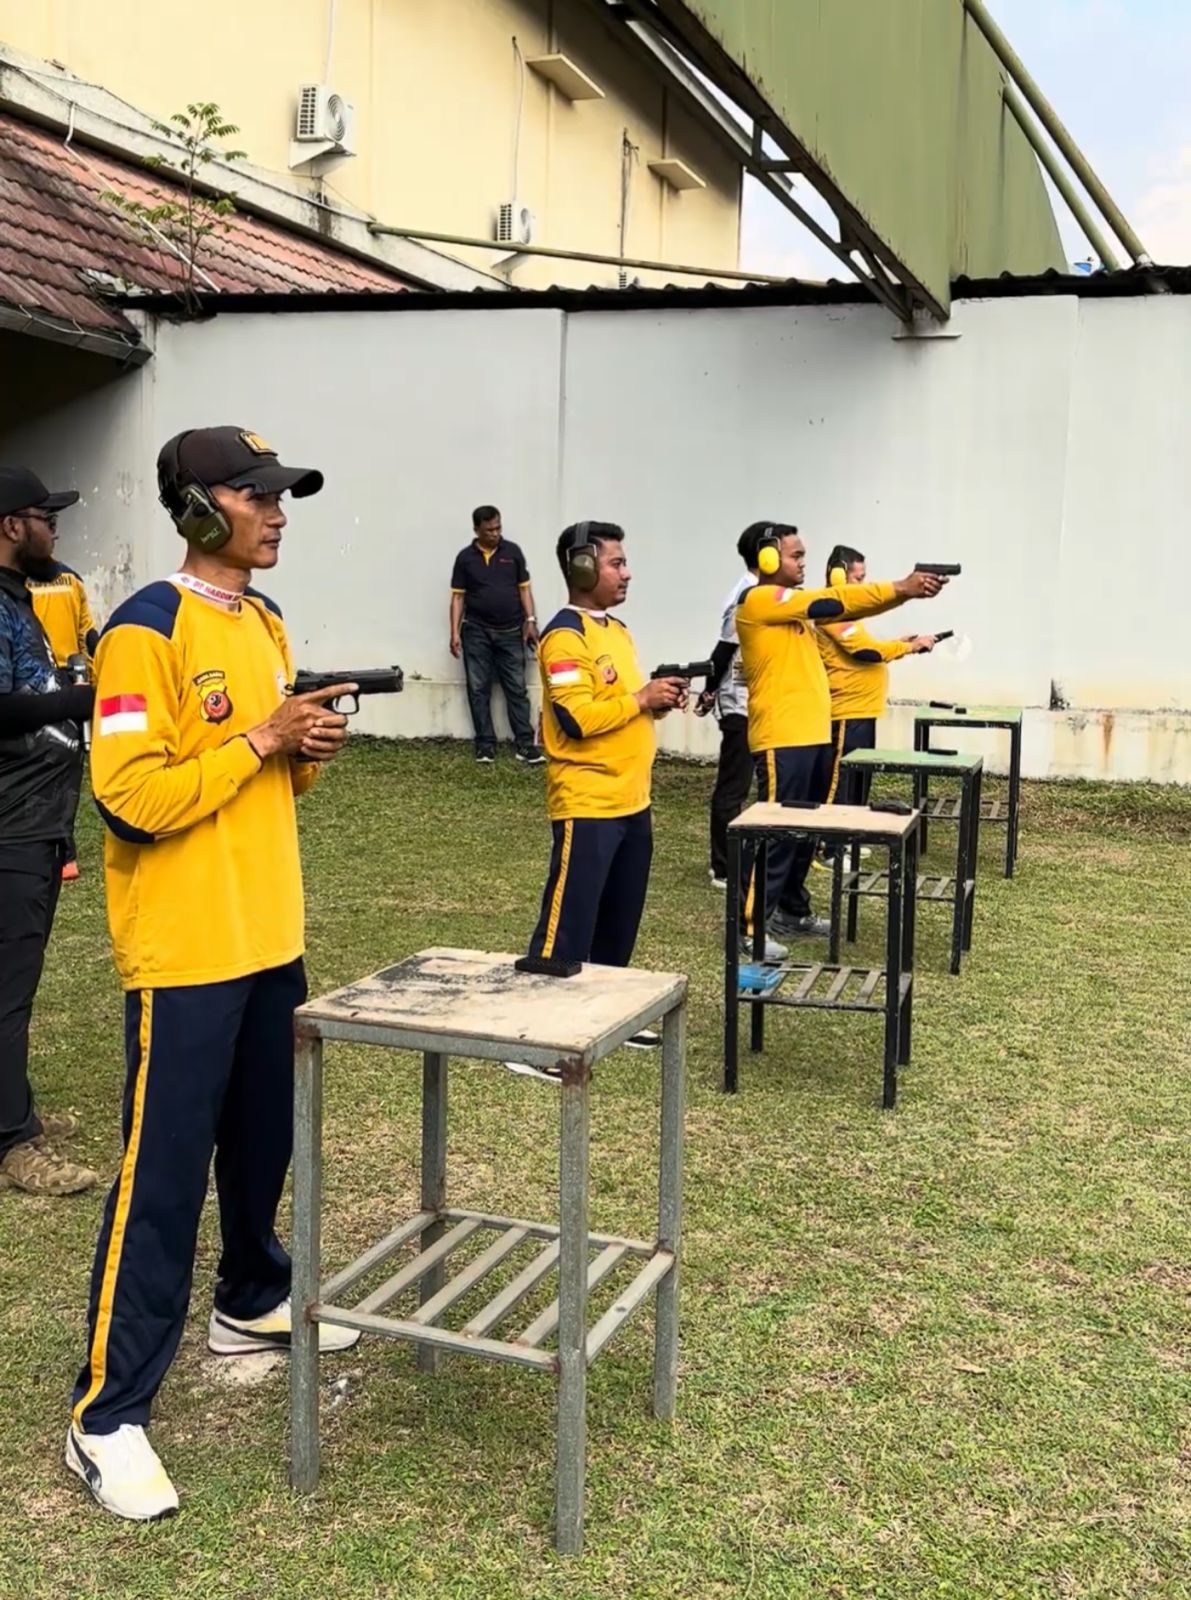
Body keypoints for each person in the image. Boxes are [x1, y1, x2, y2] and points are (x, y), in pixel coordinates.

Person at [68, 427, 359, 1523]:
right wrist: (261, 740)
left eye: (283, 496)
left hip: (268, 934)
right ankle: (107, 1414)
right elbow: (130, 800)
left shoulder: (266, 620)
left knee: (262, 1140)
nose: (277, 513)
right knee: (163, 1177)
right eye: (255, 495)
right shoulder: (144, 630)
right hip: (185, 951)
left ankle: (249, 1296)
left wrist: (301, 750)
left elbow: (266, 781)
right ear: (198, 509)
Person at [734, 522, 946, 953]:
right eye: (795, 555)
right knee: (776, 831)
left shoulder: (794, 611)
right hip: (782, 736)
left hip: (811, 733)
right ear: (767, 558)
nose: (803, 562)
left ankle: (791, 909)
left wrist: (902, 595)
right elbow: (835, 601)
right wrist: (901, 588)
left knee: (804, 832)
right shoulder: (760, 600)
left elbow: (847, 608)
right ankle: (750, 930)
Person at [526, 522, 685, 1041]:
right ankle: (537, 1035)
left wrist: (656, 701)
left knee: (619, 920)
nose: (627, 573)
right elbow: (575, 717)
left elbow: (621, 707)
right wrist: (640, 699)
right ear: (582, 567)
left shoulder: (617, 631)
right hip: (589, 802)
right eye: (616, 563)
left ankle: (606, 1017)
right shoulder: (565, 636)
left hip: (632, 800)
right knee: (568, 924)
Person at [0, 467, 99, 1197]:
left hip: (34, 819)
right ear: (11, 525)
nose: (55, 530)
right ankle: (11, 1142)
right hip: (10, 826)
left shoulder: (18, 597)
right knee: (8, 986)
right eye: (46, 517)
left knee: (14, 980)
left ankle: (16, 1111)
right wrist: (85, 698)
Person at [816, 543, 936, 807]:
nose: (863, 585)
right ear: (838, 576)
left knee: (858, 788)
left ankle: (852, 832)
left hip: (862, 712)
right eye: (859, 579)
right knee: (841, 790)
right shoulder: (831, 611)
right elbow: (865, 652)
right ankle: (834, 835)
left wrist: (899, 644)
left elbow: (867, 647)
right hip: (847, 714)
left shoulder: (846, 611)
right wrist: (909, 647)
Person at [449, 505, 543, 764]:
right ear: (476, 530)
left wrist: (531, 621)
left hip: (512, 631)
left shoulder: (513, 552)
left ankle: (525, 744)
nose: (495, 533)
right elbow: (458, 598)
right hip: (476, 631)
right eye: (489, 530)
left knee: (516, 688)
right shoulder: (465, 558)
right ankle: (485, 745)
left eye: (498, 528)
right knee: (478, 688)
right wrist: (454, 632)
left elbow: (524, 590)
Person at [30, 559, 101, 881]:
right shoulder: (71, 579)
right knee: (68, 768)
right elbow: (87, 635)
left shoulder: (17, 580)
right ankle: (65, 854)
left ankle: (59, 851)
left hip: (34, 683)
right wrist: (90, 682)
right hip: (71, 682)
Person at [697, 540, 759, 889]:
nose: (800, 564)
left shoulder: (760, 593)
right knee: (733, 787)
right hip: (739, 704)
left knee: (741, 785)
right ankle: (722, 866)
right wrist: (708, 691)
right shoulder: (746, 596)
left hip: (755, 704)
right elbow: (723, 651)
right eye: (793, 555)